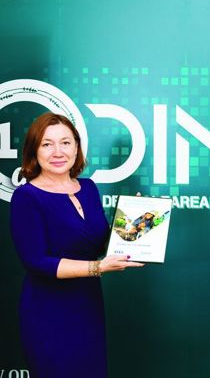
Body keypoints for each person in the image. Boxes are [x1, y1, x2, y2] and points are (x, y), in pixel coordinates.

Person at [10, 112, 144, 378]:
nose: (58, 152)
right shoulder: (26, 197)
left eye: (65, 143)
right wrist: (98, 268)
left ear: (76, 148)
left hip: (87, 307)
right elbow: (37, 262)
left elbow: (97, 243)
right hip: (48, 313)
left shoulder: (88, 188)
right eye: (47, 144)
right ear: (34, 150)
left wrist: (132, 222)